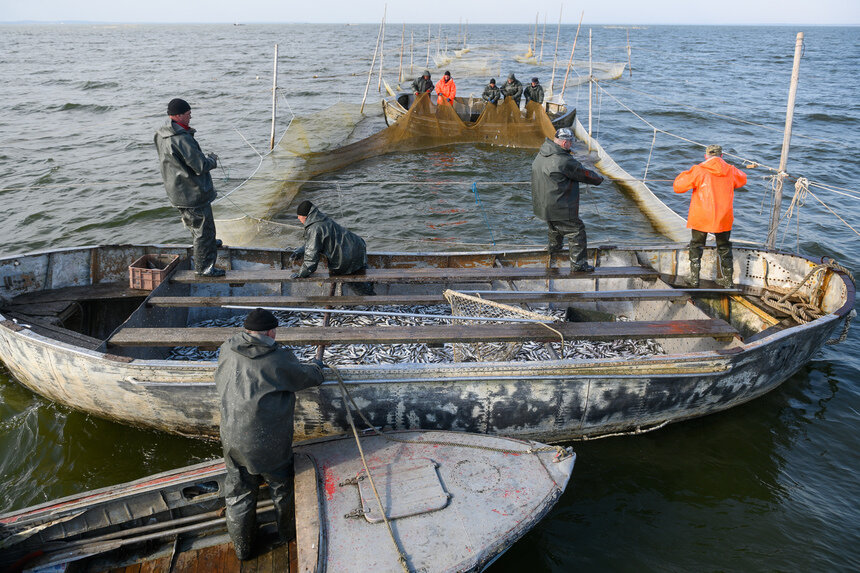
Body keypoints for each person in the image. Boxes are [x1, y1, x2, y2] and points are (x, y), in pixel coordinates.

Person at [215, 307, 324, 560]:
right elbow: (306, 377)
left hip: (231, 437)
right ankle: (287, 535)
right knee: (281, 487)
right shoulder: (277, 358)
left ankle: (242, 550)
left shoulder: (227, 347)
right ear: (271, 332)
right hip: (267, 442)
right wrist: (318, 367)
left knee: (239, 493)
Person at [154, 98, 225, 277]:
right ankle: (205, 268)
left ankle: (206, 245)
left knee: (196, 226)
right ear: (178, 115)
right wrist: (213, 160)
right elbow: (200, 166)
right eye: (188, 113)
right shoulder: (181, 138)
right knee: (204, 229)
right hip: (192, 193)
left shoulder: (160, 134)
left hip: (176, 191)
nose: (190, 116)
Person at [531, 127, 604, 272]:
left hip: (543, 205)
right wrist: (600, 179)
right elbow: (585, 174)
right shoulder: (563, 160)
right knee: (576, 230)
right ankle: (579, 265)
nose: (571, 145)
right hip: (559, 206)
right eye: (570, 142)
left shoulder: (542, 153)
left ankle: (554, 250)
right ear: (565, 143)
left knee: (555, 227)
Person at [673, 144, 747, 288]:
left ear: (706, 155)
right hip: (723, 216)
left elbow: (678, 187)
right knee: (725, 246)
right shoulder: (731, 170)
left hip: (702, 215)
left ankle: (694, 278)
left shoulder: (699, 170)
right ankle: (728, 280)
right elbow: (742, 179)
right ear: (722, 156)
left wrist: (687, 173)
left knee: (696, 245)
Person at [289, 201, 375, 295]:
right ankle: (372, 296)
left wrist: (301, 274)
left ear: (305, 216)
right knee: (363, 278)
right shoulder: (323, 219)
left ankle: (373, 302)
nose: (298, 218)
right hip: (358, 246)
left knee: (358, 286)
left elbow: (311, 260)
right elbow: (314, 243)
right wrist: (300, 251)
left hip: (346, 257)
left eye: (299, 216)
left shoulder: (314, 228)